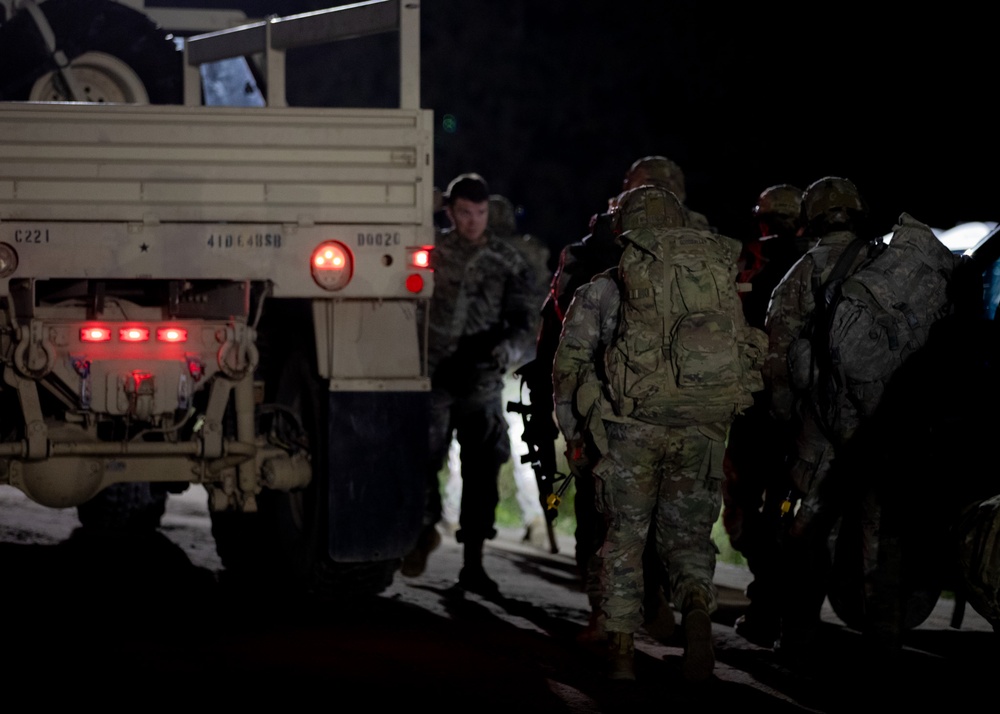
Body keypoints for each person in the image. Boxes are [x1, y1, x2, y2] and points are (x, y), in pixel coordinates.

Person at [554, 184, 763, 682]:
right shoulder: (713, 281)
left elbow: (568, 365)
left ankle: (623, 652)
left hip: (630, 433)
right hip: (700, 428)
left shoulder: (606, 287)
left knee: (624, 540)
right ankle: (696, 619)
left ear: (625, 228)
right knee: (689, 539)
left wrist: (574, 434)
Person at [538, 155, 706, 642]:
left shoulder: (598, 257)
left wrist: (569, 431)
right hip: (691, 417)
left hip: (613, 418)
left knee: (611, 526)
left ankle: (612, 631)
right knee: (681, 526)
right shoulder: (703, 258)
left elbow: (563, 349)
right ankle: (682, 603)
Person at [401, 173, 535, 597]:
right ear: (451, 211)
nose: (472, 221)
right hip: (435, 372)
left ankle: (473, 562)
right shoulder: (431, 252)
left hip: (480, 378)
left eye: (479, 213)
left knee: (482, 468)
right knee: (423, 456)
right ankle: (425, 529)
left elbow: (524, 326)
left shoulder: (507, 261)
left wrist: (502, 355)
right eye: (464, 212)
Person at [761, 176, 875, 657]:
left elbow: (779, 352)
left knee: (803, 525)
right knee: (874, 524)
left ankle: (798, 637)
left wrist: (785, 415)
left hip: (821, 422)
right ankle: (879, 641)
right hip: (880, 421)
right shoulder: (885, 264)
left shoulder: (805, 270)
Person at [722, 184, 812, 648]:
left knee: (743, 508)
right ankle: (777, 607)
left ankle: (767, 602)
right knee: (783, 512)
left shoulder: (747, 260)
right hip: (797, 416)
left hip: (755, 412)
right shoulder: (820, 264)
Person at [441, 194, 553, 548]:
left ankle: (453, 514)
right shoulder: (531, 253)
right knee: (527, 447)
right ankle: (537, 519)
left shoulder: (485, 257)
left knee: (467, 446)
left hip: (487, 361)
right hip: (526, 361)